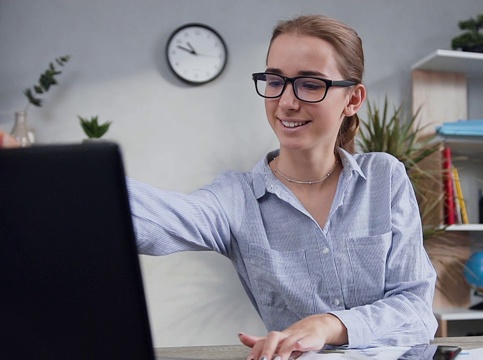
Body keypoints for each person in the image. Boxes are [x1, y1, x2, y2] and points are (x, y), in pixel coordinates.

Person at [2, 14, 437, 360]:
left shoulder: (385, 177)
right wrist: (36, 174)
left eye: (310, 83)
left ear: (353, 99)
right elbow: (151, 220)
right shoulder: (237, 198)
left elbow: (417, 312)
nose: (286, 101)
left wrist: (326, 325)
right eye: (274, 80)